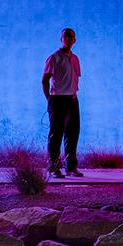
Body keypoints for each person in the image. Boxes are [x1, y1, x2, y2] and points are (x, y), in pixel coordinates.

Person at [42, 27, 83, 178]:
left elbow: (74, 79)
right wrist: (50, 100)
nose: (68, 39)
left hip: (72, 100)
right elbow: (44, 80)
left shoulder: (75, 58)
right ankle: (53, 167)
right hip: (57, 99)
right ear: (61, 39)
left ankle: (71, 168)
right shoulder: (54, 58)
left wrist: (72, 95)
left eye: (71, 37)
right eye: (65, 36)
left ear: (74, 40)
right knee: (56, 134)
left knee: (73, 134)